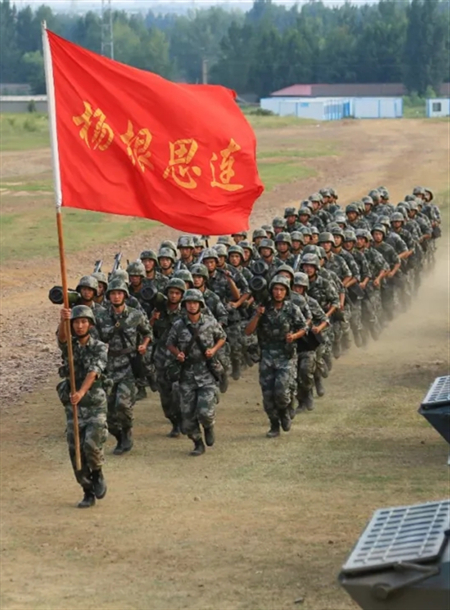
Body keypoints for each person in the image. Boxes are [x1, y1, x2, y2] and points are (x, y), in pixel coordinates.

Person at [57, 305, 109, 508]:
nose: (79, 326)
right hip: (74, 406)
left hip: (94, 402)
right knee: (75, 450)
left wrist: (81, 392)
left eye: (83, 322)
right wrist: (63, 320)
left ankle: (97, 472)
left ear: (90, 325)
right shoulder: (70, 346)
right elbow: (62, 339)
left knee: (91, 445)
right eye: (76, 322)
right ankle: (87, 491)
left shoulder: (100, 347)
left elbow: (93, 372)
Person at [245, 275, 306, 438]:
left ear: (286, 292)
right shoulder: (262, 308)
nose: (278, 293)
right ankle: (274, 425)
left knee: (281, 391)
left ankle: (285, 410)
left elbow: (303, 327)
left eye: (282, 290)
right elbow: (248, 331)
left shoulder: (292, 309)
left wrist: (294, 336)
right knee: (268, 395)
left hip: (286, 356)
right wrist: (257, 315)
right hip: (267, 356)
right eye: (276, 289)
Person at [167, 289, 226, 456]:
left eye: (195, 302)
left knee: (205, 412)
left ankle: (208, 426)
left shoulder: (210, 322)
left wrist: (213, 350)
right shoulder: (178, 325)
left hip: (206, 371)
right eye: (189, 303)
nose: (192, 306)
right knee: (187, 415)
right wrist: (177, 353)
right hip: (186, 374)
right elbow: (169, 343)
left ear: (200, 304)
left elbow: (222, 337)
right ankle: (197, 443)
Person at [97, 279, 152, 454]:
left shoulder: (135, 315)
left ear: (125, 296)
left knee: (123, 404)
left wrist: (144, 345)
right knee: (109, 412)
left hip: (129, 364)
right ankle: (120, 438)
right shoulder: (102, 317)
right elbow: (95, 339)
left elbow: (147, 332)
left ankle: (127, 431)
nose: (116, 296)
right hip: (109, 367)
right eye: (113, 293)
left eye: (119, 293)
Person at [151, 277, 186, 437]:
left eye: (177, 293)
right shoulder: (159, 310)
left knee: (178, 390)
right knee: (165, 395)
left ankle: (183, 420)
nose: (173, 296)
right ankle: (174, 422)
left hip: (179, 357)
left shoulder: (186, 311)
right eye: (171, 292)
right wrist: (153, 319)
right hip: (161, 357)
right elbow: (147, 331)